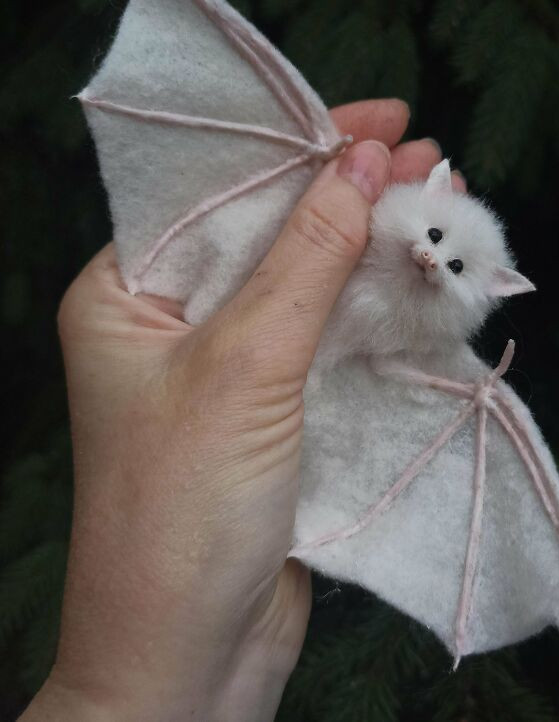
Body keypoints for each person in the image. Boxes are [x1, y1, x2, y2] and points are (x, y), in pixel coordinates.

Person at [21, 99, 464, 722]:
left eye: (455, 266)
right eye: (439, 236)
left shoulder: (436, 361)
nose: (430, 256)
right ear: (432, 199)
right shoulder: (375, 225)